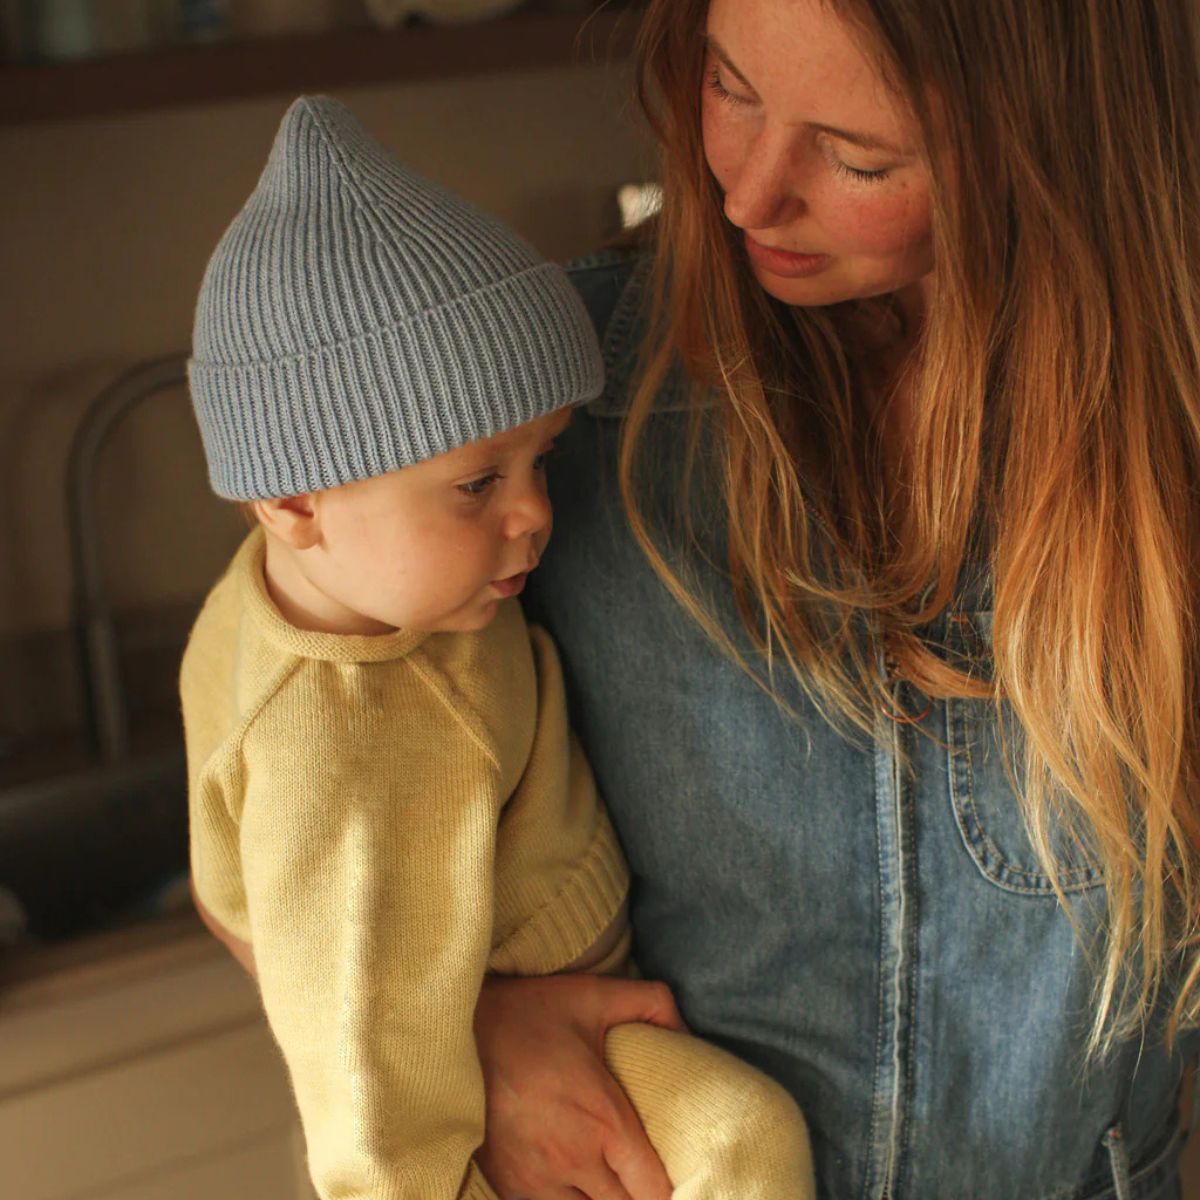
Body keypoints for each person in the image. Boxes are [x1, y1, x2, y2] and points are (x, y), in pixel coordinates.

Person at [467, 0, 1200, 1197]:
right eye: (728, 86)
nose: (746, 195)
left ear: (1061, 151)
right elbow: (291, 778)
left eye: (859, 158)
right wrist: (470, 1038)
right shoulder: (546, 393)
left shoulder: (1172, 437)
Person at [182, 95, 814, 1199]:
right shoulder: (332, 754)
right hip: (509, 1076)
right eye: (479, 482)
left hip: (545, 1003)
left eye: (544, 460)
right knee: (741, 1142)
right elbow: (366, 1089)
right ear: (293, 501)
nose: (533, 514)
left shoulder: (356, 590)